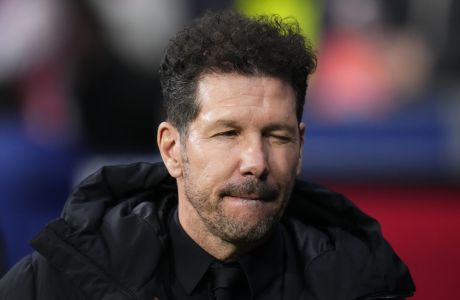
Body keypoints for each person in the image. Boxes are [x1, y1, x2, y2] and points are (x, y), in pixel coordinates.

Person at [0, 10, 415, 300]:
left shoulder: (357, 282)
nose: (256, 160)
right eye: (227, 133)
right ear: (171, 149)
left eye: (277, 135)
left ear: (301, 148)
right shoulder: (68, 277)